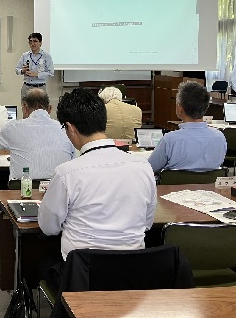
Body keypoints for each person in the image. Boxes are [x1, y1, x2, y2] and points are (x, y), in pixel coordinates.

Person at [37, 88, 156, 293]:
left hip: (83, 278)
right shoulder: (143, 167)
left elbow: (48, 227)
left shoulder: (67, 173)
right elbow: (147, 223)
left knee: (41, 262)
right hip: (133, 276)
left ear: (70, 128)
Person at [0, 89, 74, 181]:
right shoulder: (66, 130)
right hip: (58, 187)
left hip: (22, 188)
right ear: (50, 109)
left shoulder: (13, 127)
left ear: (25, 107)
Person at [148, 81, 227, 174]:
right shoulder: (220, 137)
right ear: (206, 107)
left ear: (180, 108)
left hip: (175, 184)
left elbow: (150, 168)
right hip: (210, 183)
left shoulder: (170, 140)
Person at [15, 32, 54, 97]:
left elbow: (51, 73)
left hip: (40, 87)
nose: (32, 44)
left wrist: (37, 74)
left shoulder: (46, 56)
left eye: (35, 41)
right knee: (25, 103)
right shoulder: (25, 55)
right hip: (27, 87)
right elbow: (17, 70)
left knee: (40, 104)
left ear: (40, 43)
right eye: (30, 42)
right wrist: (22, 71)